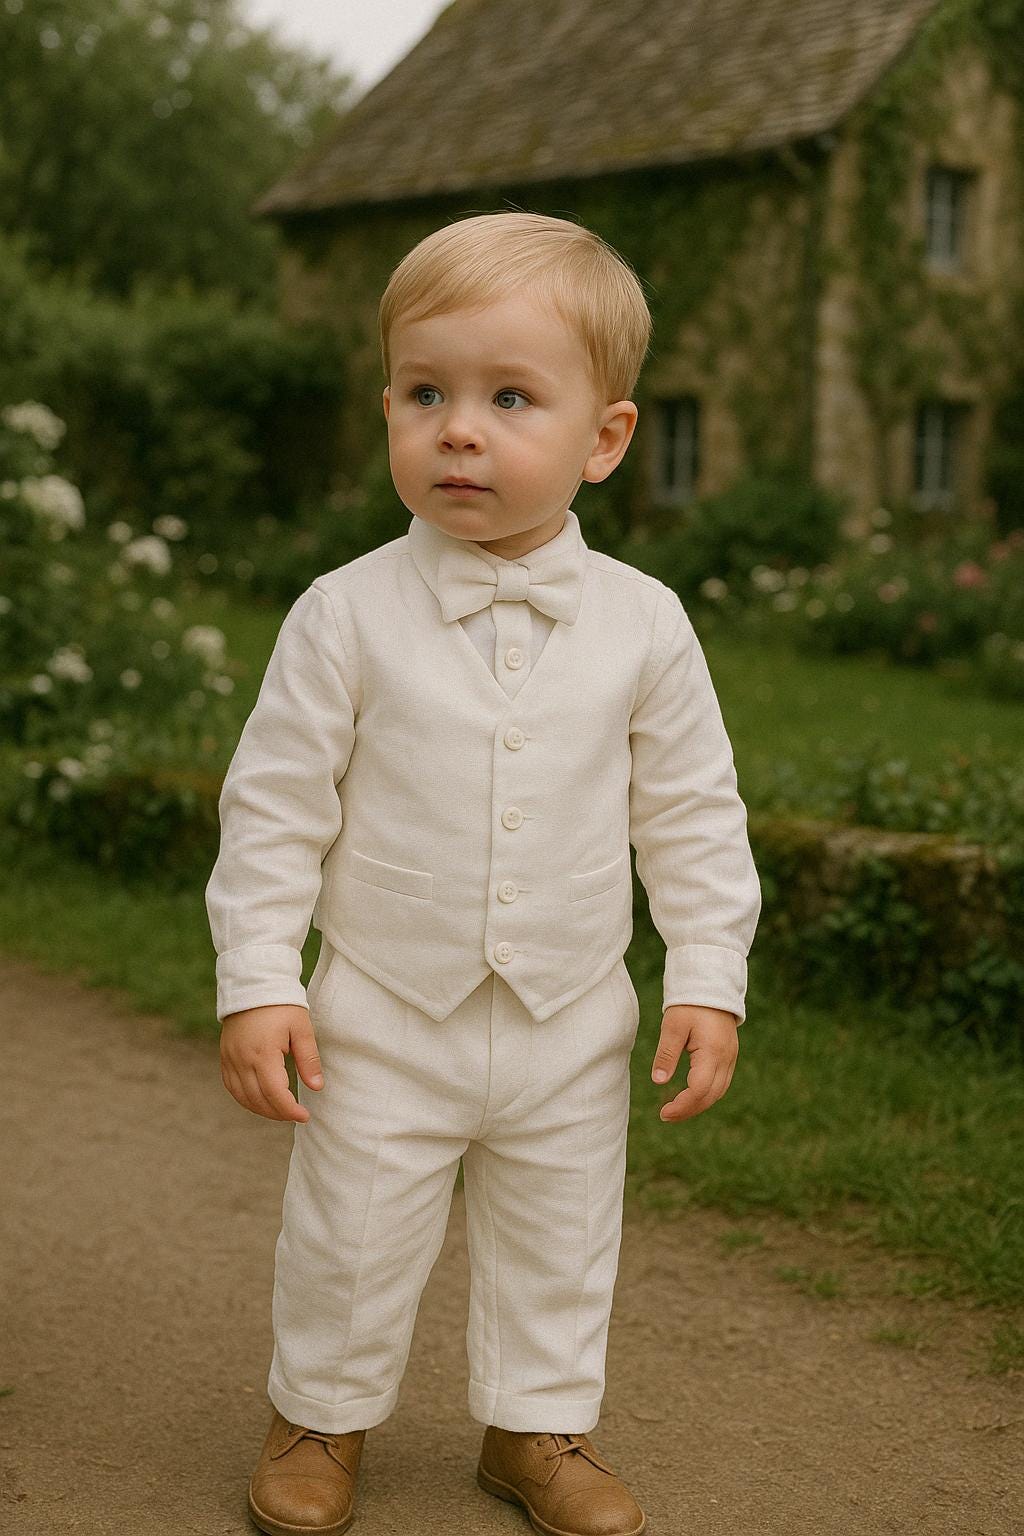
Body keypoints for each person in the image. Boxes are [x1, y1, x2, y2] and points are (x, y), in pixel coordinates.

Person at [205, 209, 762, 1536]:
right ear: (389, 405)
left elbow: (690, 813)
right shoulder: (344, 615)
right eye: (425, 393)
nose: (460, 427)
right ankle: (319, 1419)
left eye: (511, 397)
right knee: (355, 1229)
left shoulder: (645, 623)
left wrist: (708, 976)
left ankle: (536, 1429)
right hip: (385, 1011)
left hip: (573, 1009)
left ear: (605, 437)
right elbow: (272, 812)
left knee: (562, 1233)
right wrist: (256, 979)